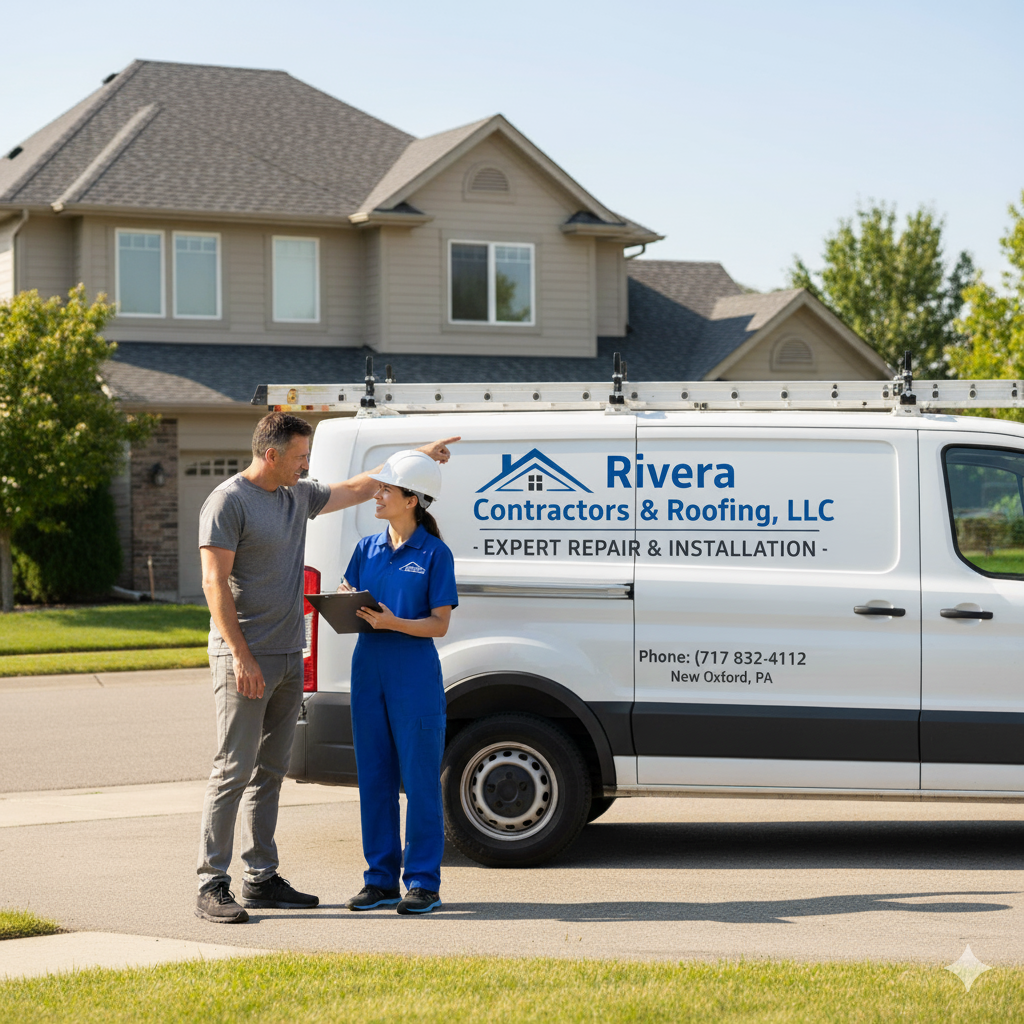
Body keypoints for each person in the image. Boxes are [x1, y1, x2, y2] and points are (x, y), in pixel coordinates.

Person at [195, 414, 457, 924]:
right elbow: (213, 583)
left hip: (289, 656)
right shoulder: (228, 501)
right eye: (299, 457)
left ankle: (261, 877)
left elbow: (362, 485)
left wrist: (419, 455)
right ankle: (211, 881)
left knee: (270, 772)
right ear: (272, 455)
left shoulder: (297, 495)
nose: (307, 466)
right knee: (233, 769)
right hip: (245, 659)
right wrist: (241, 655)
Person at [341, 450, 458, 916]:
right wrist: (344, 601)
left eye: (387, 489)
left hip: (413, 675)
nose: (378, 493)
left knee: (421, 779)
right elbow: (351, 597)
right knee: (374, 778)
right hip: (368, 670)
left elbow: (439, 625)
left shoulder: (435, 553)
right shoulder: (366, 549)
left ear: (412, 500)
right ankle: (380, 881)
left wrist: (393, 623)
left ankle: (423, 882)